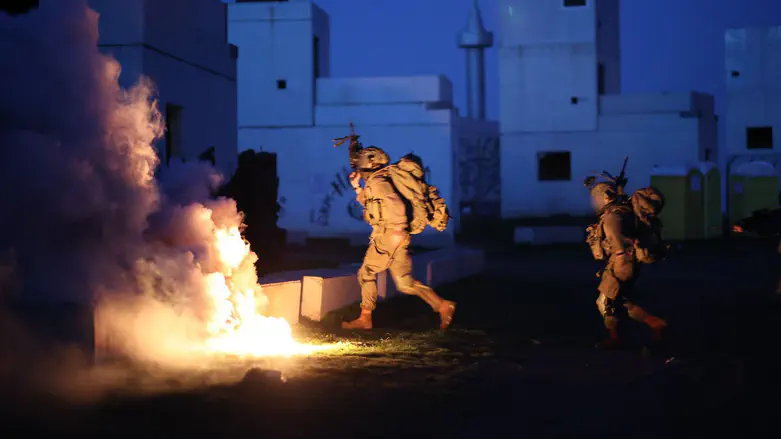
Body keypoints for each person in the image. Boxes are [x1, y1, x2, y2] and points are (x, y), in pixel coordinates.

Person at [341, 146, 456, 330]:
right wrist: (356, 187)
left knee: (366, 273)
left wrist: (394, 230)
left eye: (360, 166)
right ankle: (443, 306)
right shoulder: (381, 179)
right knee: (405, 283)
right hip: (399, 236)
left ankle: (365, 318)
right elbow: (373, 203)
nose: (359, 170)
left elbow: (395, 205)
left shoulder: (378, 182)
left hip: (390, 235)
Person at [588, 181, 668, 349]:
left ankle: (617, 337)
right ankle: (653, 324)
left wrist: (615, 273)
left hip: (620, 264)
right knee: (624, 302)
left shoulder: (613, 217)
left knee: (605, 303)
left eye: (597, 198)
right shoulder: (624, 212)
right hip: (625, 263)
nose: (595, 202)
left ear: (605, 196)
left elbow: (621, 246)